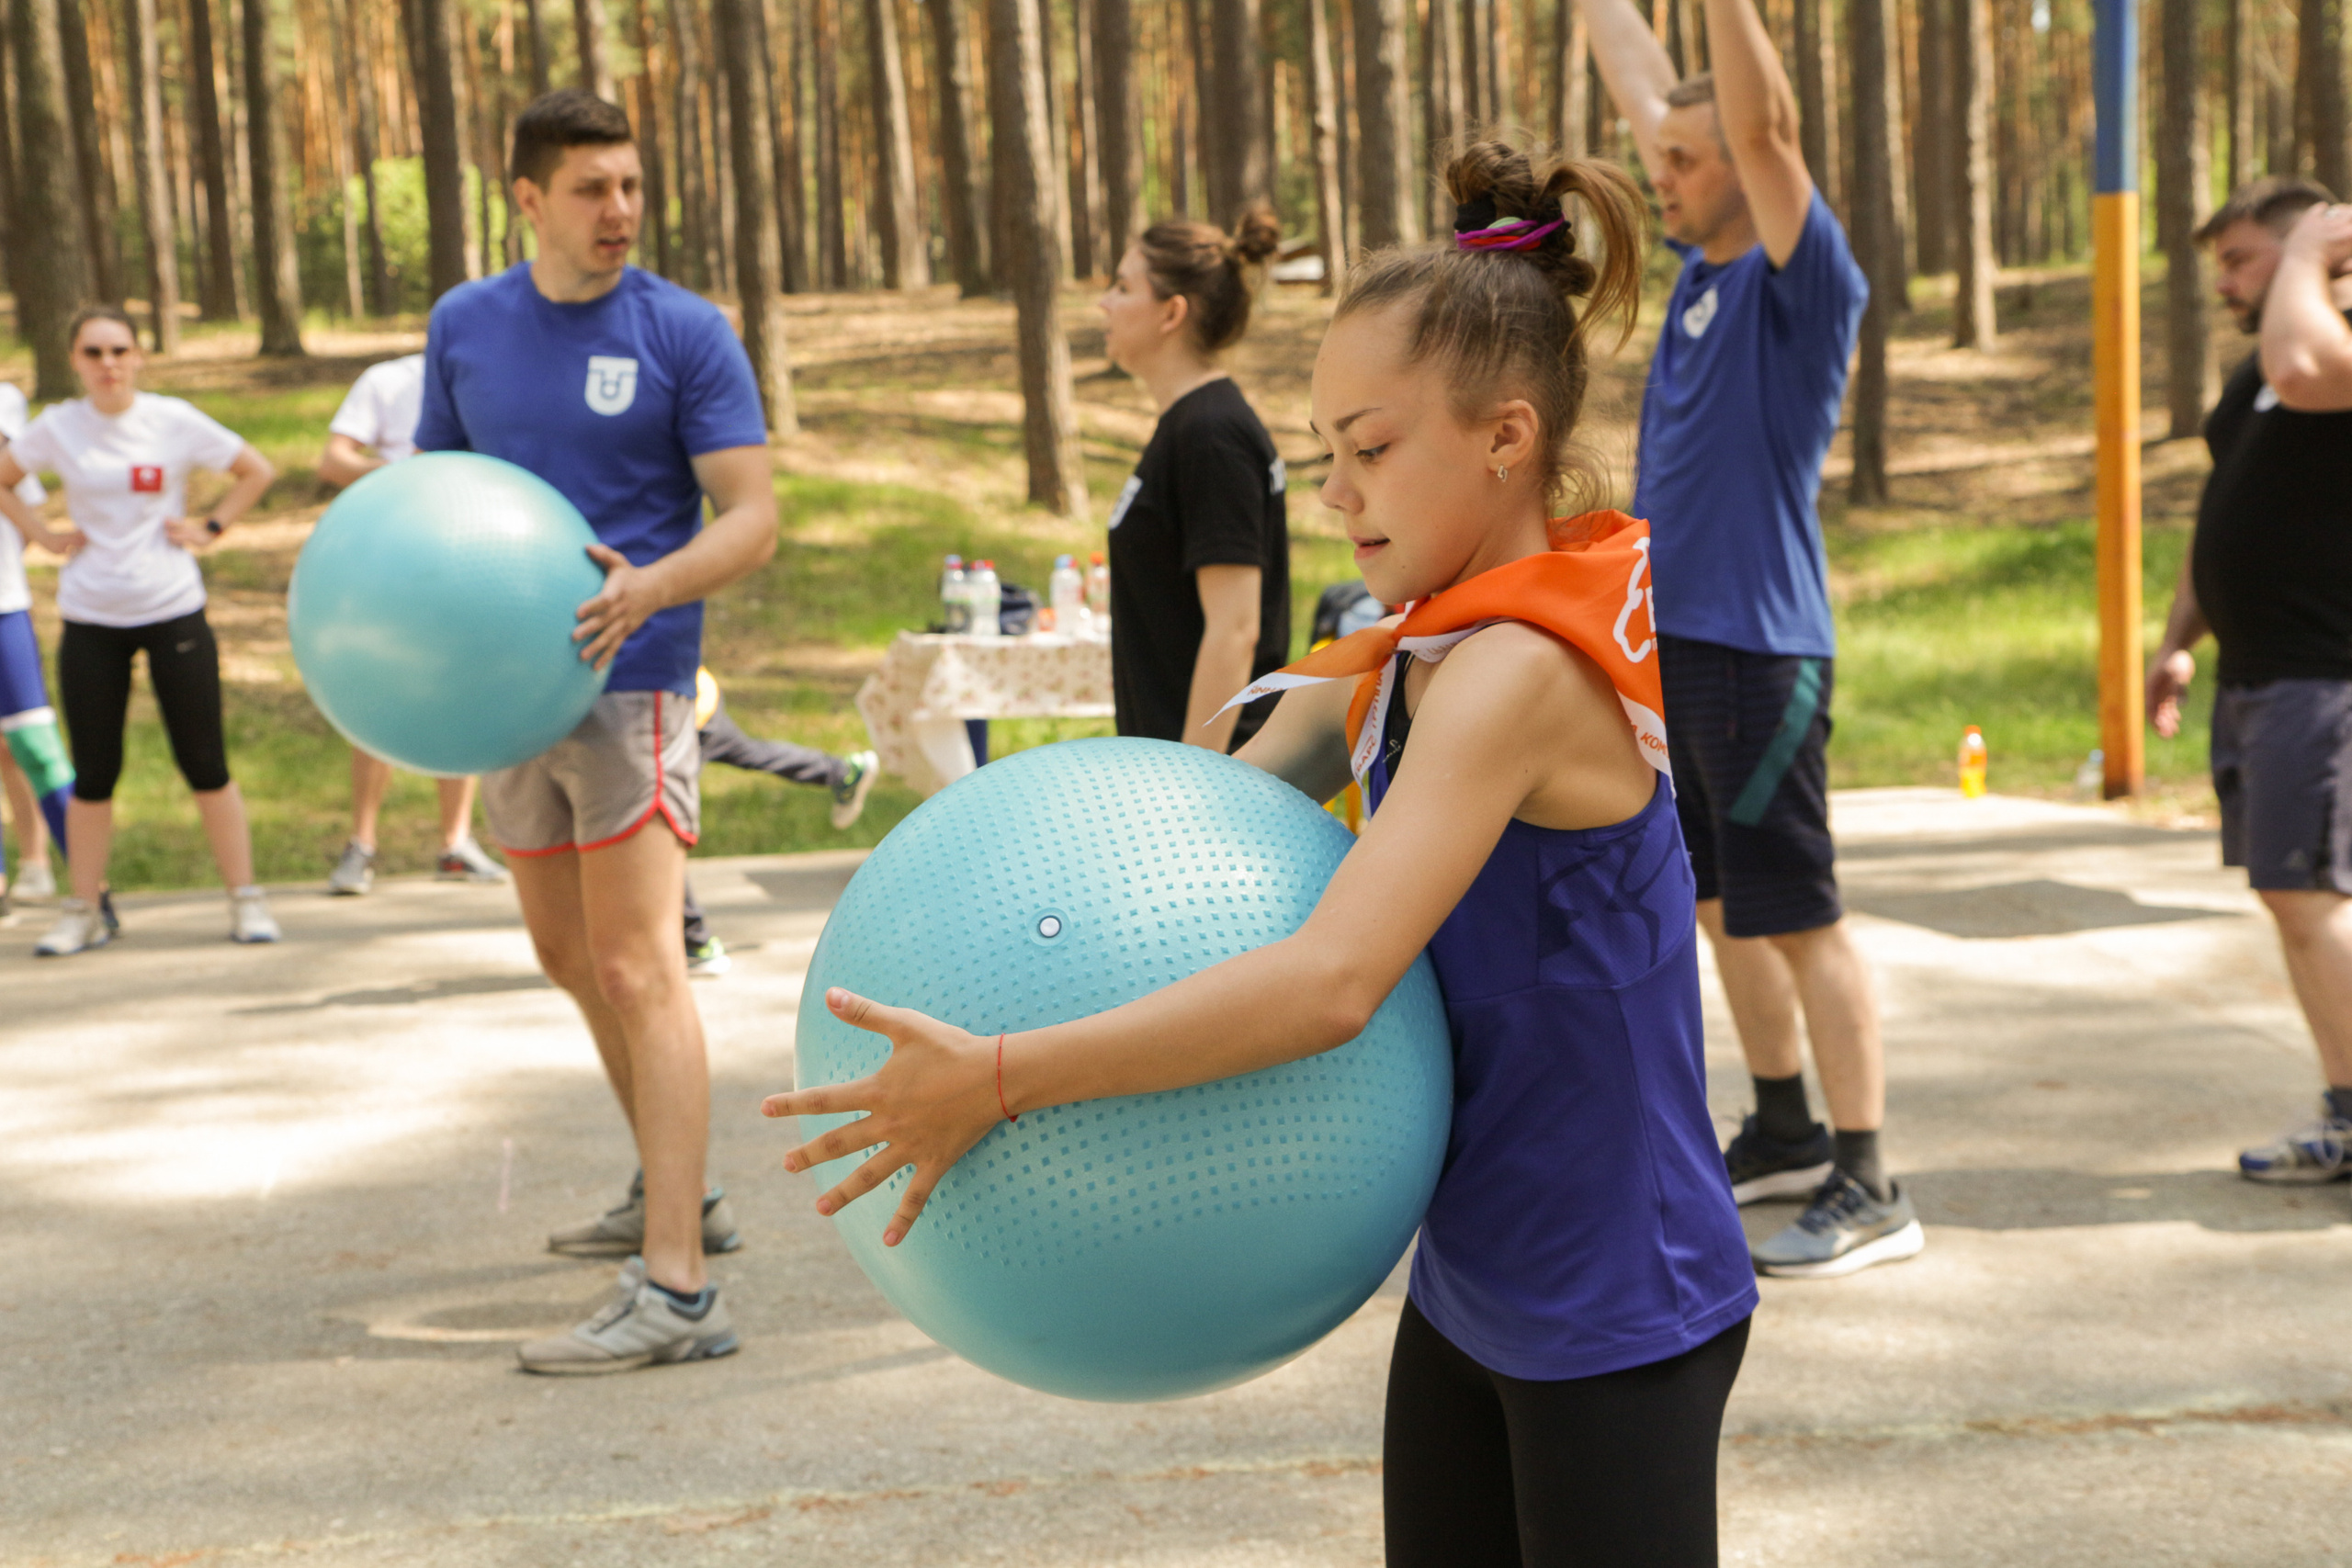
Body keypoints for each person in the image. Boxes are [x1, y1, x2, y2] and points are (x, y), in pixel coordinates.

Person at [764, 140, 1758, 1567]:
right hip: (1474, 1262)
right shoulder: (1407, 643)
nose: (1338, 493)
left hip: (1613, 1283)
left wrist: (997, 1079)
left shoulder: (1517, 671)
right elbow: (1187, 825)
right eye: (1325, 455)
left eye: (1371, 449)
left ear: (1506, 435)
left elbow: (1331, 982)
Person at [416, 90, 778, 1373]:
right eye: (591, 188)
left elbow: (750, 513)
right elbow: (438, 500)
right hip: (509, 694)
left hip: (638, 680)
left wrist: (652, 587)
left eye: (630, 184)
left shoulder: (684, 330)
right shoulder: (465, 323)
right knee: (569, 955)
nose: (620, 209)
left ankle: (677, 1289)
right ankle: (677, 1186)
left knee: (639, 966)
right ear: (526, 197)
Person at [1587, 0, 1920, 1277]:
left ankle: (1870, 1171)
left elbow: (1765, 123)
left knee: (1800, 911)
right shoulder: (1700, 269)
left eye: (1684, 162)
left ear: (1750, 169)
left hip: (1760, 647)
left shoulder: (1802, 277)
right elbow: (1650, 91)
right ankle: (1781, 1121)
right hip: (1673, 640)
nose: (1655, 176)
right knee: (1721, 901)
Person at [2146, 177, 2352, 1189]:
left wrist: (2313, 260)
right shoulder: (2252, 381)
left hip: (2325, 675)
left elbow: (2307, 362)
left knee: (2304, 893)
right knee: (2295, 895)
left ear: (2311, 245)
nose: (2222, 283)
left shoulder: (2322, 349)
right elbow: (2225, 511)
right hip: (2258, 673)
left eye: (2240, 261)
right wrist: (2180, 637)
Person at [0, 306, 279, 956]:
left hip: (173, 608)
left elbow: (256, 469)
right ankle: (83, 906)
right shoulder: (58, 427)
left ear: (138, 357)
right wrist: (41, 534)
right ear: (74, 360)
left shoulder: (172, 420)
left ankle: (246, 898)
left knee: (205, 762)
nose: (108, 365)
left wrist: (210, 528)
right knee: (95, 773)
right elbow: (6, 477)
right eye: (93, 353)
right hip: (92, 616)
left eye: (118, 350)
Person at [1097, 207, 1293, 753]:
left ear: (1171, 313)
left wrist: (1191, 775)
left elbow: (1236, 628)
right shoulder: (1192, 426)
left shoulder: (1211, 436)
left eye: (1122, 286)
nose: (1103, 302)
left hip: (1217, 773)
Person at [315, 353, 507, 895]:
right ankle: (362, 845)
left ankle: (456, 843)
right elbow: (332, 461)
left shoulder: (494, 373)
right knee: (380, 692)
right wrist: (405, 478)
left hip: (470, 554)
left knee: (462, 689)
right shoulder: (387, 380)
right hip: (393, 556)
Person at [679, 664, 876, 976]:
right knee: (750, 752)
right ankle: (841, 771)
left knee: (659, 831)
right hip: (696, 697)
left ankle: (695, 941)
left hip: (681, 714)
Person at [0, 376, 68, 917]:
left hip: (4, 605)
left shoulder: (6, 401)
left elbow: (16, 495)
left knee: (33, 747)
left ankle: (78, 881)